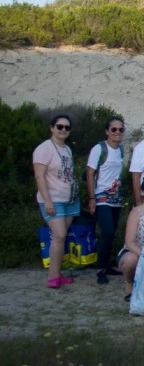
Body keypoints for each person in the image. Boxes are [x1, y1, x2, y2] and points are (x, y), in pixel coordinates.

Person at [34, 114, 78, 289]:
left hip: (69, 199)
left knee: (60, 237)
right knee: (59, 235)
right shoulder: (44, 148)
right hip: (52, 199)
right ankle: (52, 277)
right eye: (60, 126)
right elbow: (39, 176)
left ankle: (57, 273)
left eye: (67, 127)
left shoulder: (67, 149)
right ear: (52, 128)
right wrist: (48, 201)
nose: (63, 130)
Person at [86, 116, 125, 285]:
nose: (117, 132)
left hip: (115, 198)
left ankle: (106, 264)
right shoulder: (99, 149)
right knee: (107, 231)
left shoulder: (121, 149)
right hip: (101, 196)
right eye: (114, 129)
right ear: (107, 131)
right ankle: (100, 268)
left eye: (120, 129)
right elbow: (90, 173)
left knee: (111, 232)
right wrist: (91, 198)